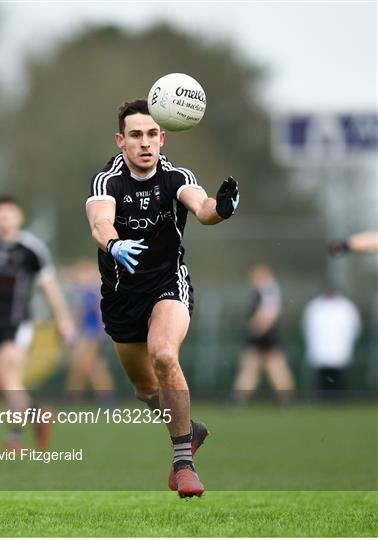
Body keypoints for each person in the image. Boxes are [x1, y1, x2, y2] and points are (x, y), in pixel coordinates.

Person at [85, 99, 239, 498]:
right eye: (135, 135)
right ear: (121, 141)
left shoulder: (175, 176)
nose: (145, 143)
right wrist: (113, 244)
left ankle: (183, 462)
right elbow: (100, 222)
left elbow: (202, 209)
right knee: (145, 390)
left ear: (163, 137)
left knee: (164, 355)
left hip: (168, 285)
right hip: (122, 297)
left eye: (152, 134)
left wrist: (220, 209)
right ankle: (190, 430)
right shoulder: (108, 180)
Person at [0, 195, 75, 451]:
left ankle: (14, 438)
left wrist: (64, 322)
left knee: (10, 379)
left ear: (19, 217)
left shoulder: (31, 249)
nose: (4, 218)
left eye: (9, 214)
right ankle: (38, 415)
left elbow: (51, 289)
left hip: (17, 322)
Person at [232, 263, 295, 405]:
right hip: (265, 337)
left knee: (271, 369)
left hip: (265, 337)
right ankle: (238, 399)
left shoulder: (269, 290)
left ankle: (237, 400)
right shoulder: (265, 291)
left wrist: (255, 328)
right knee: (256, 368)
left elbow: (270, 314)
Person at [65, 258, 116, 401]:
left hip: (92, 334)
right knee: (94, 368)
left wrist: (102, 332)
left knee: (81, 366)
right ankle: (106, 399)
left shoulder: (92, 292)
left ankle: (72, 399)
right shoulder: (83, 292)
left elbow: (99, 312)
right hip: (87, 334)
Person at [302, 285, 361, 398]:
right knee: (322, 379)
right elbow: (308, 327)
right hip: (320, 350)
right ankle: (322, 399)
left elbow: (354, 327)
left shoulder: (346, 307)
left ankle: (340, 399)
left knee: (339, 379)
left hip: (339, 350)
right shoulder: (315, 306)